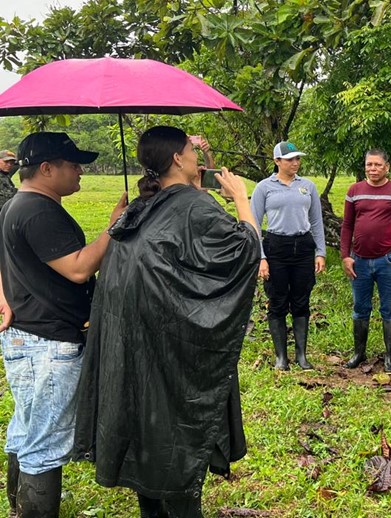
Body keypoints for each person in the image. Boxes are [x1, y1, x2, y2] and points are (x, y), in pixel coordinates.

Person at [72, 125, 260, 516]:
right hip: (173, 350)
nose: (195, 157)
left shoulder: (138, 209)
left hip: (134, 347)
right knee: (175, 450)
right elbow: (245, 252)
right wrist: (242, 200)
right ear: (177, 158)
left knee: (147, 435)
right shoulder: (194, 207)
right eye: (192, 150)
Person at [0, 132, 126, 516]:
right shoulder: (38, 211)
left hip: (28, 334)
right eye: (73, 165)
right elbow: (77, 268)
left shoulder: (15, 205)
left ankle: (19, 507)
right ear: (47, 168)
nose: (80, 172)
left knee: (28, 427)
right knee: (47, 439)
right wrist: (114, 226)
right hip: (49, 342)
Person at [251, 141, 327, 371]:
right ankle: (281, 357)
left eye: (297, 159)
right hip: (276, 246)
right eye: (290, 159)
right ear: (277, 162)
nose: (295, 163)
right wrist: (261, 257)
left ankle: (302, 356)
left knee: (301, 300)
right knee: (277, 300)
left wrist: (320, 251)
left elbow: (316, 221)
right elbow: (253, 223)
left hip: (302, 246)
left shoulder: (307, 186)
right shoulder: (264, 187)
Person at [340, 149, 391, 372]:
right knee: (360, 308)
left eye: (377, 165)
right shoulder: (355, 190)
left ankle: (390, 356)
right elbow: (347, 225)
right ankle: (358, 352)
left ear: (387, 167)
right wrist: (345, 256)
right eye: (369, 165)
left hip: (388, 259)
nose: (373, 169)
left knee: (389, 309)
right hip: (360, 260)